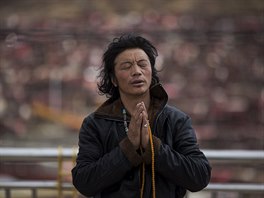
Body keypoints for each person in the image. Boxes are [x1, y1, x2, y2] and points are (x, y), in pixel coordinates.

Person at [71, 34, 211, 198]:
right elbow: (84, 182)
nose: (136, 71)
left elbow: (200, 176)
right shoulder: (95, 124)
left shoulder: (176, 120)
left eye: (142, 64)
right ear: (113, 79)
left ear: (151, 72)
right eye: (126, 66)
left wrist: (154, 149)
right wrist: (128, 149)